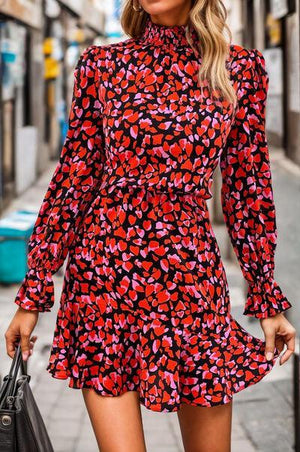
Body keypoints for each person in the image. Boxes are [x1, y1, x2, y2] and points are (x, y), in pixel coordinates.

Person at [5, 0, 296, 451]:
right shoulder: (103, 64)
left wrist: (265, 297)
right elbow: (74, 178)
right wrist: (34, 292)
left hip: (191, 283)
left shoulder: (240, 69)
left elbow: (248, 189)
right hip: (104, 279)